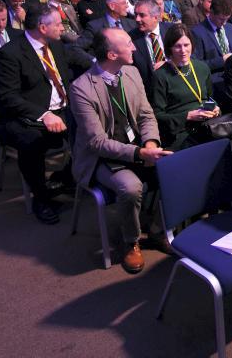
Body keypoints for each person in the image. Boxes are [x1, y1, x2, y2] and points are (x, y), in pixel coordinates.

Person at [70, 28, 173, 273]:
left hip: (137, 146)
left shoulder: (132, 72)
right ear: (112, 55)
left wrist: (150, 143)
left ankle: (157, 230)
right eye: (128, 44)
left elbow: (146, 114)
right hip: (102, 157)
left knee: (172, 169)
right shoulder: (81, 88)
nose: (135, 47)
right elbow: (96, 142)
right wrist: (140, 154)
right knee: (131, 188)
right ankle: (131, 241)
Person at [0, 3, 91, 225]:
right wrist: (43, 114)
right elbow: (8, 98)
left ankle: (66, 177)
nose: (62, 28)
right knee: (32, 143)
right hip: (23, 116)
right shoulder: (9, 54)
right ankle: (41, 198)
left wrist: (98, 66)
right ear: (42, 27)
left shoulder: (55, 45)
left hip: (61, 109)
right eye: (58, 24)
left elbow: (74, 66)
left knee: (93, 126)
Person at [150, 24, 219, 151]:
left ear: (192, 45)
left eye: (186, 45)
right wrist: (188, 116)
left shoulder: (202, 67)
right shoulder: (160, 76)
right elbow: (157, 116)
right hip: (180, 133)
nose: (183, 50)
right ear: (169, 48)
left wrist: (215, 108)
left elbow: (210, 98)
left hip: (207, 126)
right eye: (177, 46)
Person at [190, 0, 232, 90]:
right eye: (221, 19)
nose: (224, 23)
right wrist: (221, 60)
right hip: (215, 83)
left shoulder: (231, 28)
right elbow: (196, 65)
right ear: (211, 12)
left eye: (226, 19)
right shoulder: (197, 32)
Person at [130, 0, 173, 93]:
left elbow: (190, 56)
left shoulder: (172, 30)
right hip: (150, 91)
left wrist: (169, 63)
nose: (137, 19)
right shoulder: (131, 38)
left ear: (156, 17)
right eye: (136, 15)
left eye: (142, 15)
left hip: (175, 82)